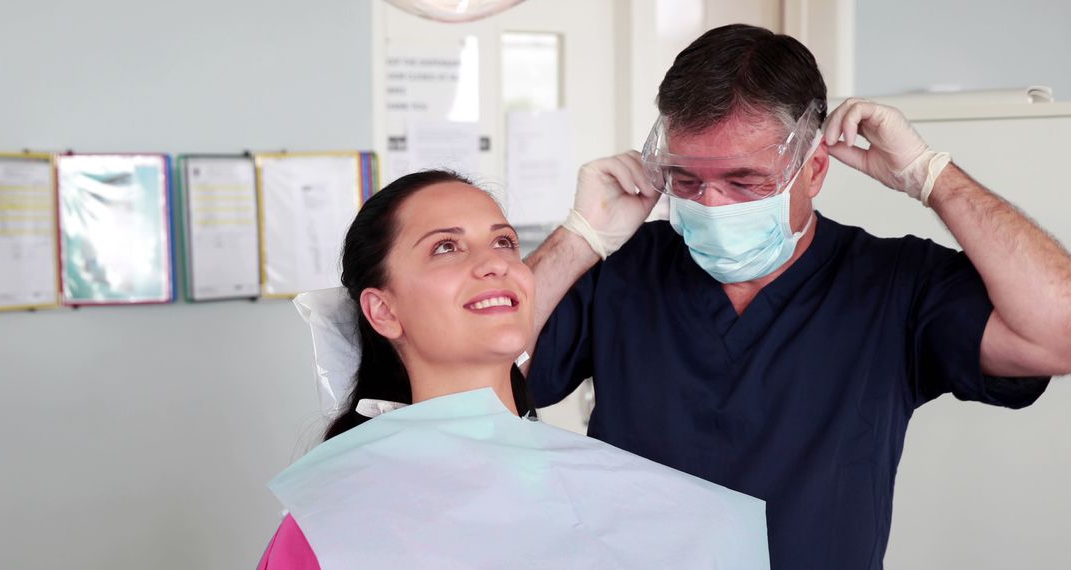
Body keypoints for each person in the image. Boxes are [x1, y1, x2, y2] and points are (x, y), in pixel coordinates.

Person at [524, 23, 1071, 569]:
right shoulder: (622, 268)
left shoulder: (895, 283)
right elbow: (466, 382)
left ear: (812, 171)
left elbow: (1057, 334)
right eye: (686, 181)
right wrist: (580, 237)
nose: (712, 205)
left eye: (744, 182)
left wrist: (932, 177)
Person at [258, 170, 770, 569]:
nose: (496, 262)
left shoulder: (628, 501)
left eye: (503, 242)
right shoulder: (335, 518)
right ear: (383, 311)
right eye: (446, 247)